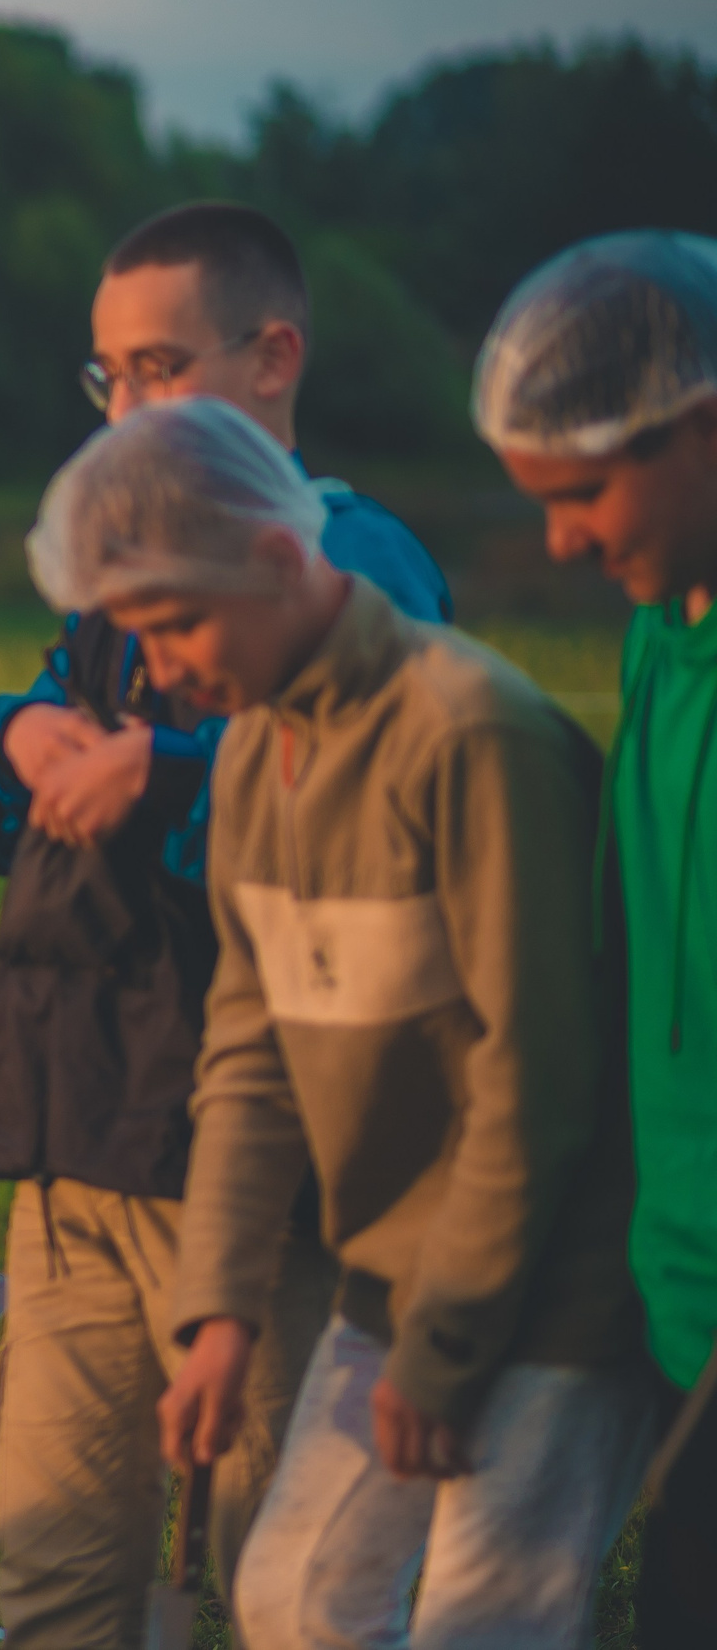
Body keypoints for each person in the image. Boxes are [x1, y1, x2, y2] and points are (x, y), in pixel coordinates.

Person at [21, 399, 648, 1647]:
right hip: (389, 1282)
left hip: (546, 1288)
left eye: (177, 622)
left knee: (487, 1616)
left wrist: (450, 1344)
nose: (156, 671)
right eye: (134, 636)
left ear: (275, 559)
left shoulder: (469, 735)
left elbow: (536, 1083)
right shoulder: (257, 755)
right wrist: (219, 1313)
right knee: (290, 1596)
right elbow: (249, 1064)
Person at [0, 200, 454, 1646]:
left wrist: (165, 769)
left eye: (160, 366)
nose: (126, 408)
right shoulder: (114, 574)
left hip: (270, 1177)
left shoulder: (359, 558)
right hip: (72, 1145)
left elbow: (362, 790)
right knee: (55, 1584)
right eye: (109, 376)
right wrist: (25, 730)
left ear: (274, 356)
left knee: (283, 1583)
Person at [470, 229, 717, 1645]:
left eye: (586, 494)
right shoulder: (656, 624)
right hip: (666, 1284)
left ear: (703, 425)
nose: (562, 541)